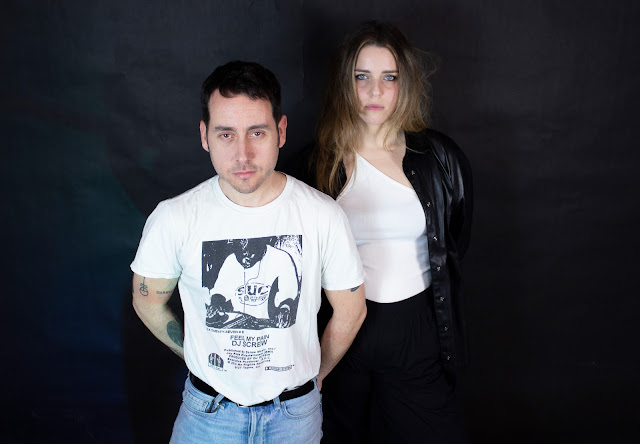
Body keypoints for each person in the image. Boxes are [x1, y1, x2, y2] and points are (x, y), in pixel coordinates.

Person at [130, 61, 367, 444]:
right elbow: (147, 301)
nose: (243, 154)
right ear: (205, 136)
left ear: (281, 131)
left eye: (257, 132)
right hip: (207, 416)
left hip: (295, 417)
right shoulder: (175, 218)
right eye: (226, 134)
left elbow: (352, 310)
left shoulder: (322, 215)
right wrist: (196, 354)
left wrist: (314, 376)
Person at [309, 21, 473, 443]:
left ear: (405, 84)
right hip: (341, 331)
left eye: (389, 78)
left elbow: (455, 240)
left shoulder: (440, 158)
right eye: (362, 77)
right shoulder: (314, 164)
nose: (375, 91)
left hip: (415, 331)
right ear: (346, 84)